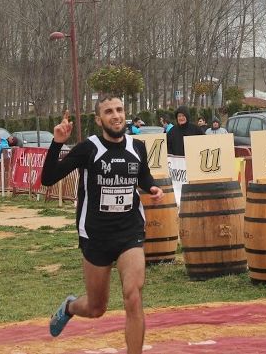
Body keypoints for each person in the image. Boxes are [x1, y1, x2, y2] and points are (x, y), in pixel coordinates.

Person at [42, 96, 163, 353]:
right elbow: (48, 178)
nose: (116, 115)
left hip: (130, 231)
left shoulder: (137, 147)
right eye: (109, 112)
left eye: (119, 110)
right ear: (99, 120)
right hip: (95, 235)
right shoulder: (89, 148)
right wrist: (57, 143)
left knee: (133, 296)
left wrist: (151, 186)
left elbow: (142, 174)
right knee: (97, 308)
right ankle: (70, 307)